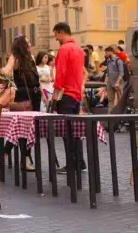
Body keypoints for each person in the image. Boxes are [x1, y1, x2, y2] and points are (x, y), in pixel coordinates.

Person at [50, 22, 86, 173]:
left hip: (66, 95)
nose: (56, 38)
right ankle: (79, 162)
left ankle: (72, 164)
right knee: (76, 131)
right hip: (76, 95)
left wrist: (54, 96)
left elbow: (61, 74)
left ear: (60, 32)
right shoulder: (79, 49)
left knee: (67, 132)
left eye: (56, 35)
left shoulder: (64, 49)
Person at [1, 36, 41, 111]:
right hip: (24, 95)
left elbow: (36, 78)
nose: (29, 44)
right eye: (27, 43)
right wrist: (2, 71)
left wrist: (43, 95)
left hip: (36, 95)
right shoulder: (14, 57)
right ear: (21, 45)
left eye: (29, 42)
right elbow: (7, 69)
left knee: (36, 119)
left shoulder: (31, 57)